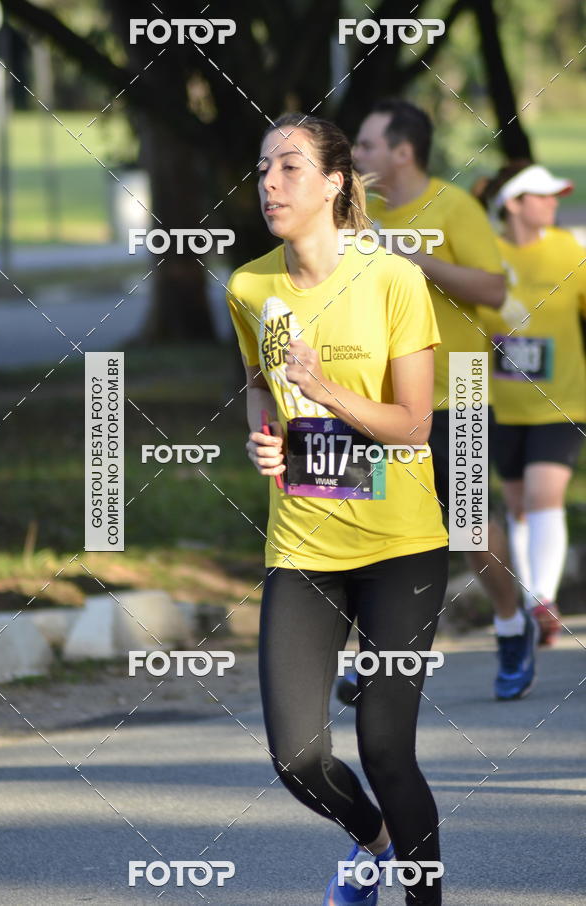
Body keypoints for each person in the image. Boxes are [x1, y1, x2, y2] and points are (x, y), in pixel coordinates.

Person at [225, 112, 448, 906]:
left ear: (334, 183)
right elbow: (257, 382)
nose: (270, 184)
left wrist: (324, 391)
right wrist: (265, 436)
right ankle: (376, 846)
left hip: (402, 544)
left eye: (288, 168)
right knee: (297, 757)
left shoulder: (392, 280)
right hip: (304, 544)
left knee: (386, 750)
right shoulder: (250, 285)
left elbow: (414, 423)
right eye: (261, 170)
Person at [349, 98, 539, 701]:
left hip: (458, 391)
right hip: (379, 399)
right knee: (371, 529)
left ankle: (513, 624)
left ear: (403, 152)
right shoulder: (361, 214)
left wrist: (415, 258)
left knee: (467, 530)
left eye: (367, 145)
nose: (356, 155)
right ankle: (372, 657)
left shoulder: (453, 208)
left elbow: (492, 288)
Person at [476, 162, 586, 646]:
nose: (553, 203)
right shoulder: (485, 256)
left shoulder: (569, 249)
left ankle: (543, 599)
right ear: (514, 204)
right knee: (518, 506)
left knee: (545, 495)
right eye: (542, 196)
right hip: (500, 404)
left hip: (562, 401)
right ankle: (527, 600)